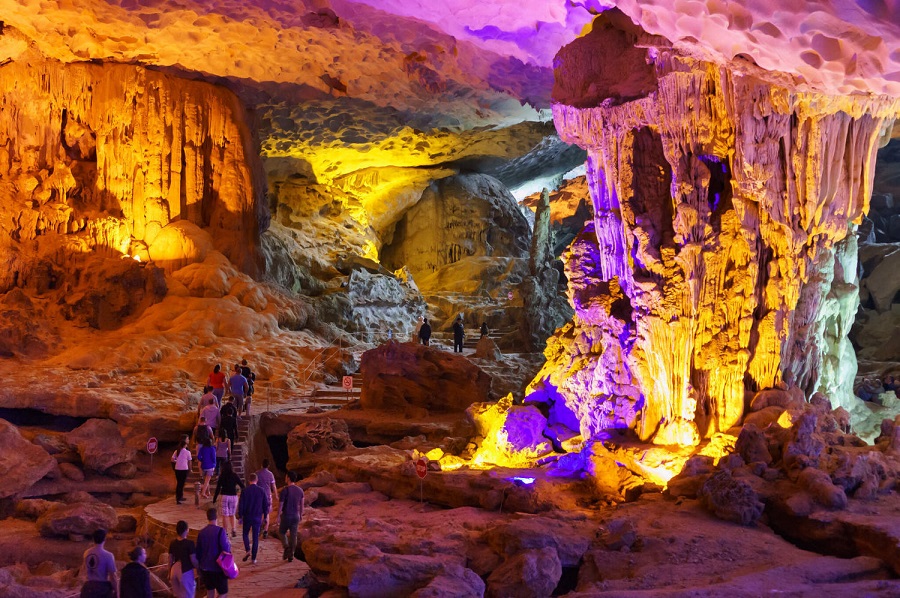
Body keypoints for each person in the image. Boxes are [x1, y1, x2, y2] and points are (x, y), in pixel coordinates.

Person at [196, 508, 231, 598]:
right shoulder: (220, 531)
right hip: (217, 568)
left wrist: (198, 568)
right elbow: (226, 549)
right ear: (217, 517)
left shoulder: (202, 533)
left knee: (210, 592)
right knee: (223, 593)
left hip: (205, 568)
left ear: (207, 517)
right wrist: (229, 543)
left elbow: (198, 552)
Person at [237, 473, 270, 564]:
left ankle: (247, 549)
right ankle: (254, 558)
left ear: (249, 480)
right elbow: (265, 505)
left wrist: (240, 516)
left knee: (245, 534)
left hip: (247, 516)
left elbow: (241, 504)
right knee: (255, 538)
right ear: (257, 480)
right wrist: (266, 516)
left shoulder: (245, 491)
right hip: (257, 517)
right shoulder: (262, 491)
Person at [81, 528, 118, 598]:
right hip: (102, 588)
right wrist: (116, 591)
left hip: (88, 587)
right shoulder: (108, 555)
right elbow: (113, 576)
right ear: (104, 539)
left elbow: (85, 569)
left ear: (93, 539)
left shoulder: (86, 553)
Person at [213, 461, 244, 538]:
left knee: (225, 515)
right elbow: (242, 485)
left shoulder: (222, 476)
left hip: (224, 496)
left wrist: (214, 498)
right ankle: (233, 529)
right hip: (233, 496)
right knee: (232, 514)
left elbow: (218, 488)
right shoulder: (234, 475)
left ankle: (225, 532)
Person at [279, 471, 305, 563]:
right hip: (296, 516)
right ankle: (291, 555)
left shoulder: (285, 490)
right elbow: (302, 505)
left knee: (282, 532)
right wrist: (301, 515)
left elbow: (281, 505)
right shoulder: (300, 490)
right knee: (294, 535)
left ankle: (286, 547)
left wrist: (278, 516)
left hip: (286, 515)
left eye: (286, 476)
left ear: (289, 478)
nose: (285, 478)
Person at [168, 520, 198, 598]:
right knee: (188, 595)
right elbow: (193, 560)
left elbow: (170, 559)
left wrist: (169, 572)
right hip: (185, 571)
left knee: (177, 595)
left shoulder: (172, 543)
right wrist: (199, 568)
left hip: (174, 570)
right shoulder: (189, 543)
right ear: (186, 530)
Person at [256, 459, 277, 539]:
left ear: (261, 464)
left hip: (259, 496)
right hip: (268, 496)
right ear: (268, 466)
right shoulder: (270, 474)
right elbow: (273, 486)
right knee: (267, 513)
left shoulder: (257, 473)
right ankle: (265, 530)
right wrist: (276, 495)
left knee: (259, 513)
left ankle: (259, 528)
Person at [171, 438, 192, 504]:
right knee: (182, 483)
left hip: (177, 469)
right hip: (184, 469)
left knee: (179, 483)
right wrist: (190, 469)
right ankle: (179, 497)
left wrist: (177, 461)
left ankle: (178, 497)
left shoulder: (177, 451)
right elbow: (189, 462)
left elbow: (172, 459)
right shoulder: (187, 452)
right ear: (185, 445)